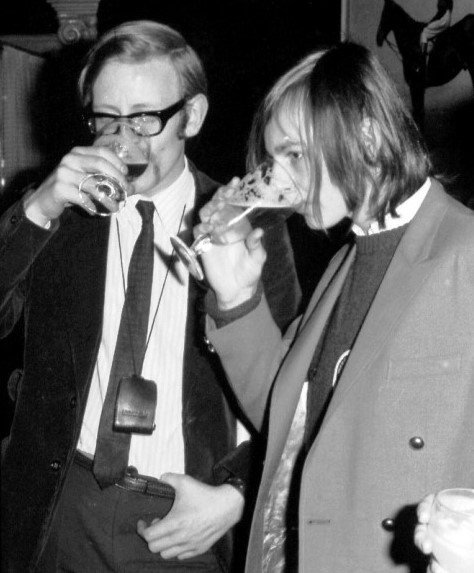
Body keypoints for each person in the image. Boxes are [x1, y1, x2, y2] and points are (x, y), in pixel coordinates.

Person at [0, 20, 301, 573]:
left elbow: (295, 384)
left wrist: (236, 494)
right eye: (107, 118)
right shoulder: (57, 213)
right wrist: (38, 208)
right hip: (61, 508)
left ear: (193, 115)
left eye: (144, 117)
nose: (124, 140)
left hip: (183, 519)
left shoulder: (249, 223)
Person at [197, 41, 474, 573]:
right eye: (274, 160)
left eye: (295, 155)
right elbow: (288, 424)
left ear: (367, 135)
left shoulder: (465, 252)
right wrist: (235, 297)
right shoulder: (344, 264)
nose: (280, 180)